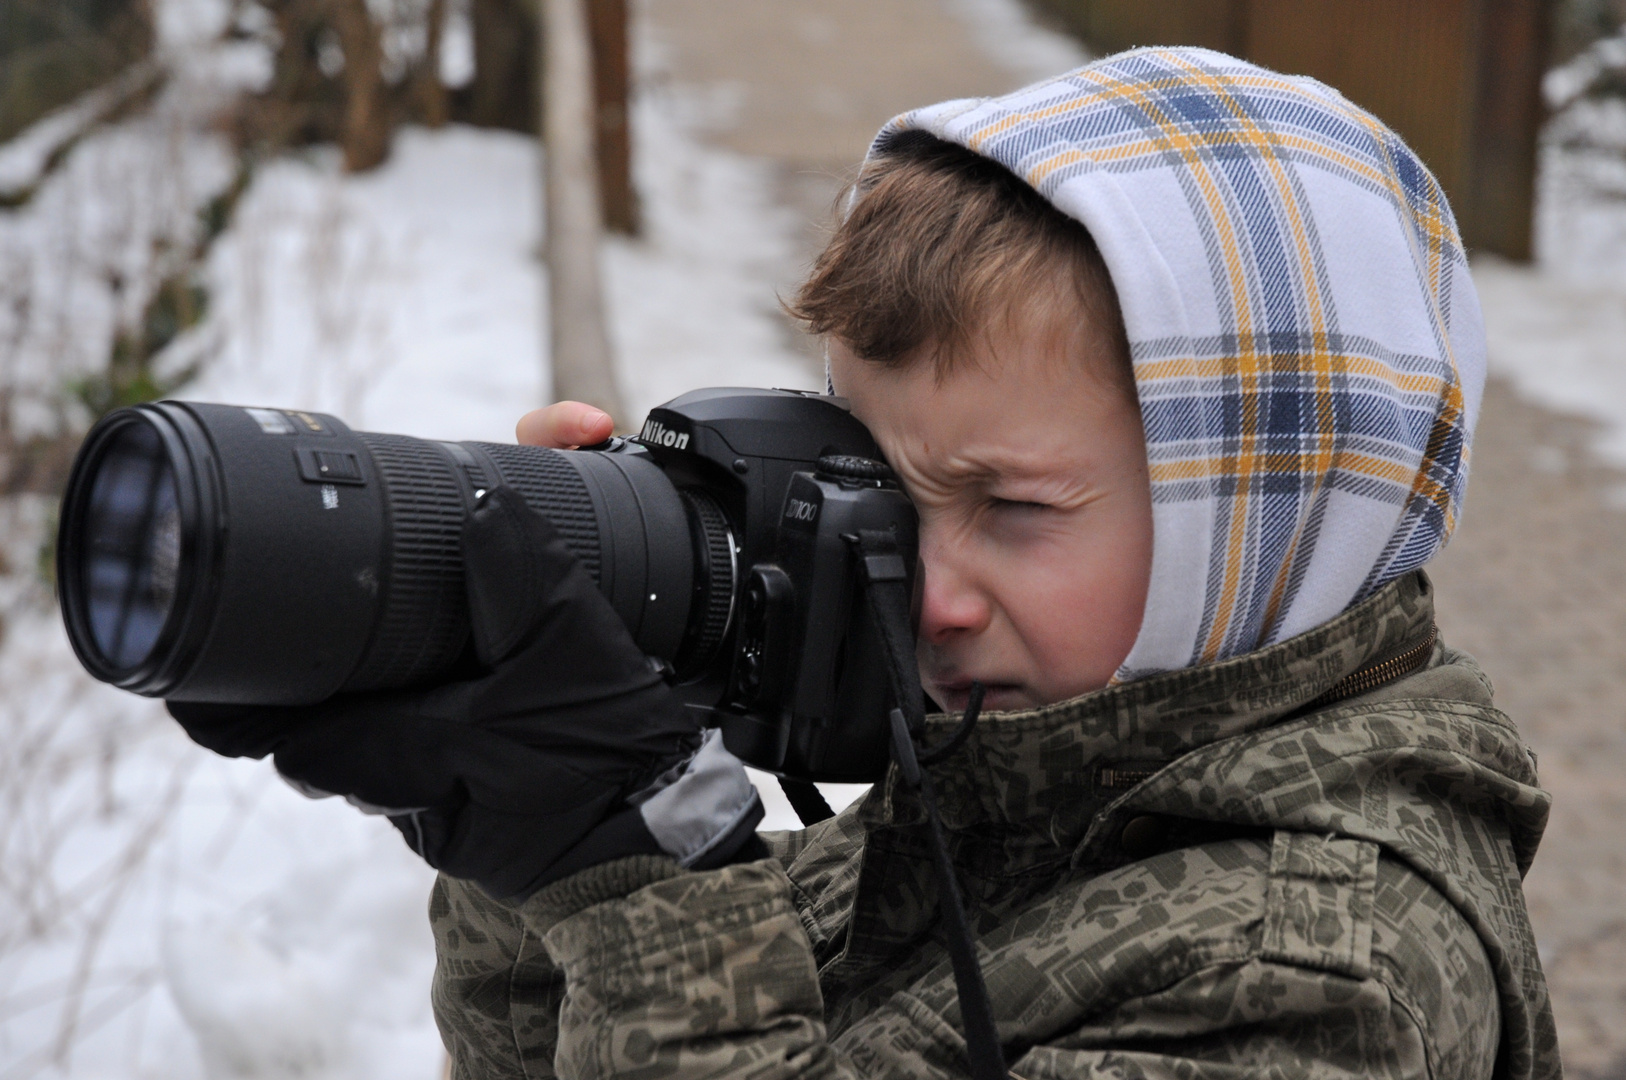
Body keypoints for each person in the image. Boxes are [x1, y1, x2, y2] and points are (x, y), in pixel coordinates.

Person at [173, 47, 1559, 1079]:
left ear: (1262, 523)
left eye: (1008, 505)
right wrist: (528, 840)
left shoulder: (1317, 976)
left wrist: (650, 886)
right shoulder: (1002, 794)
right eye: (880, 488)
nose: (923, 589)